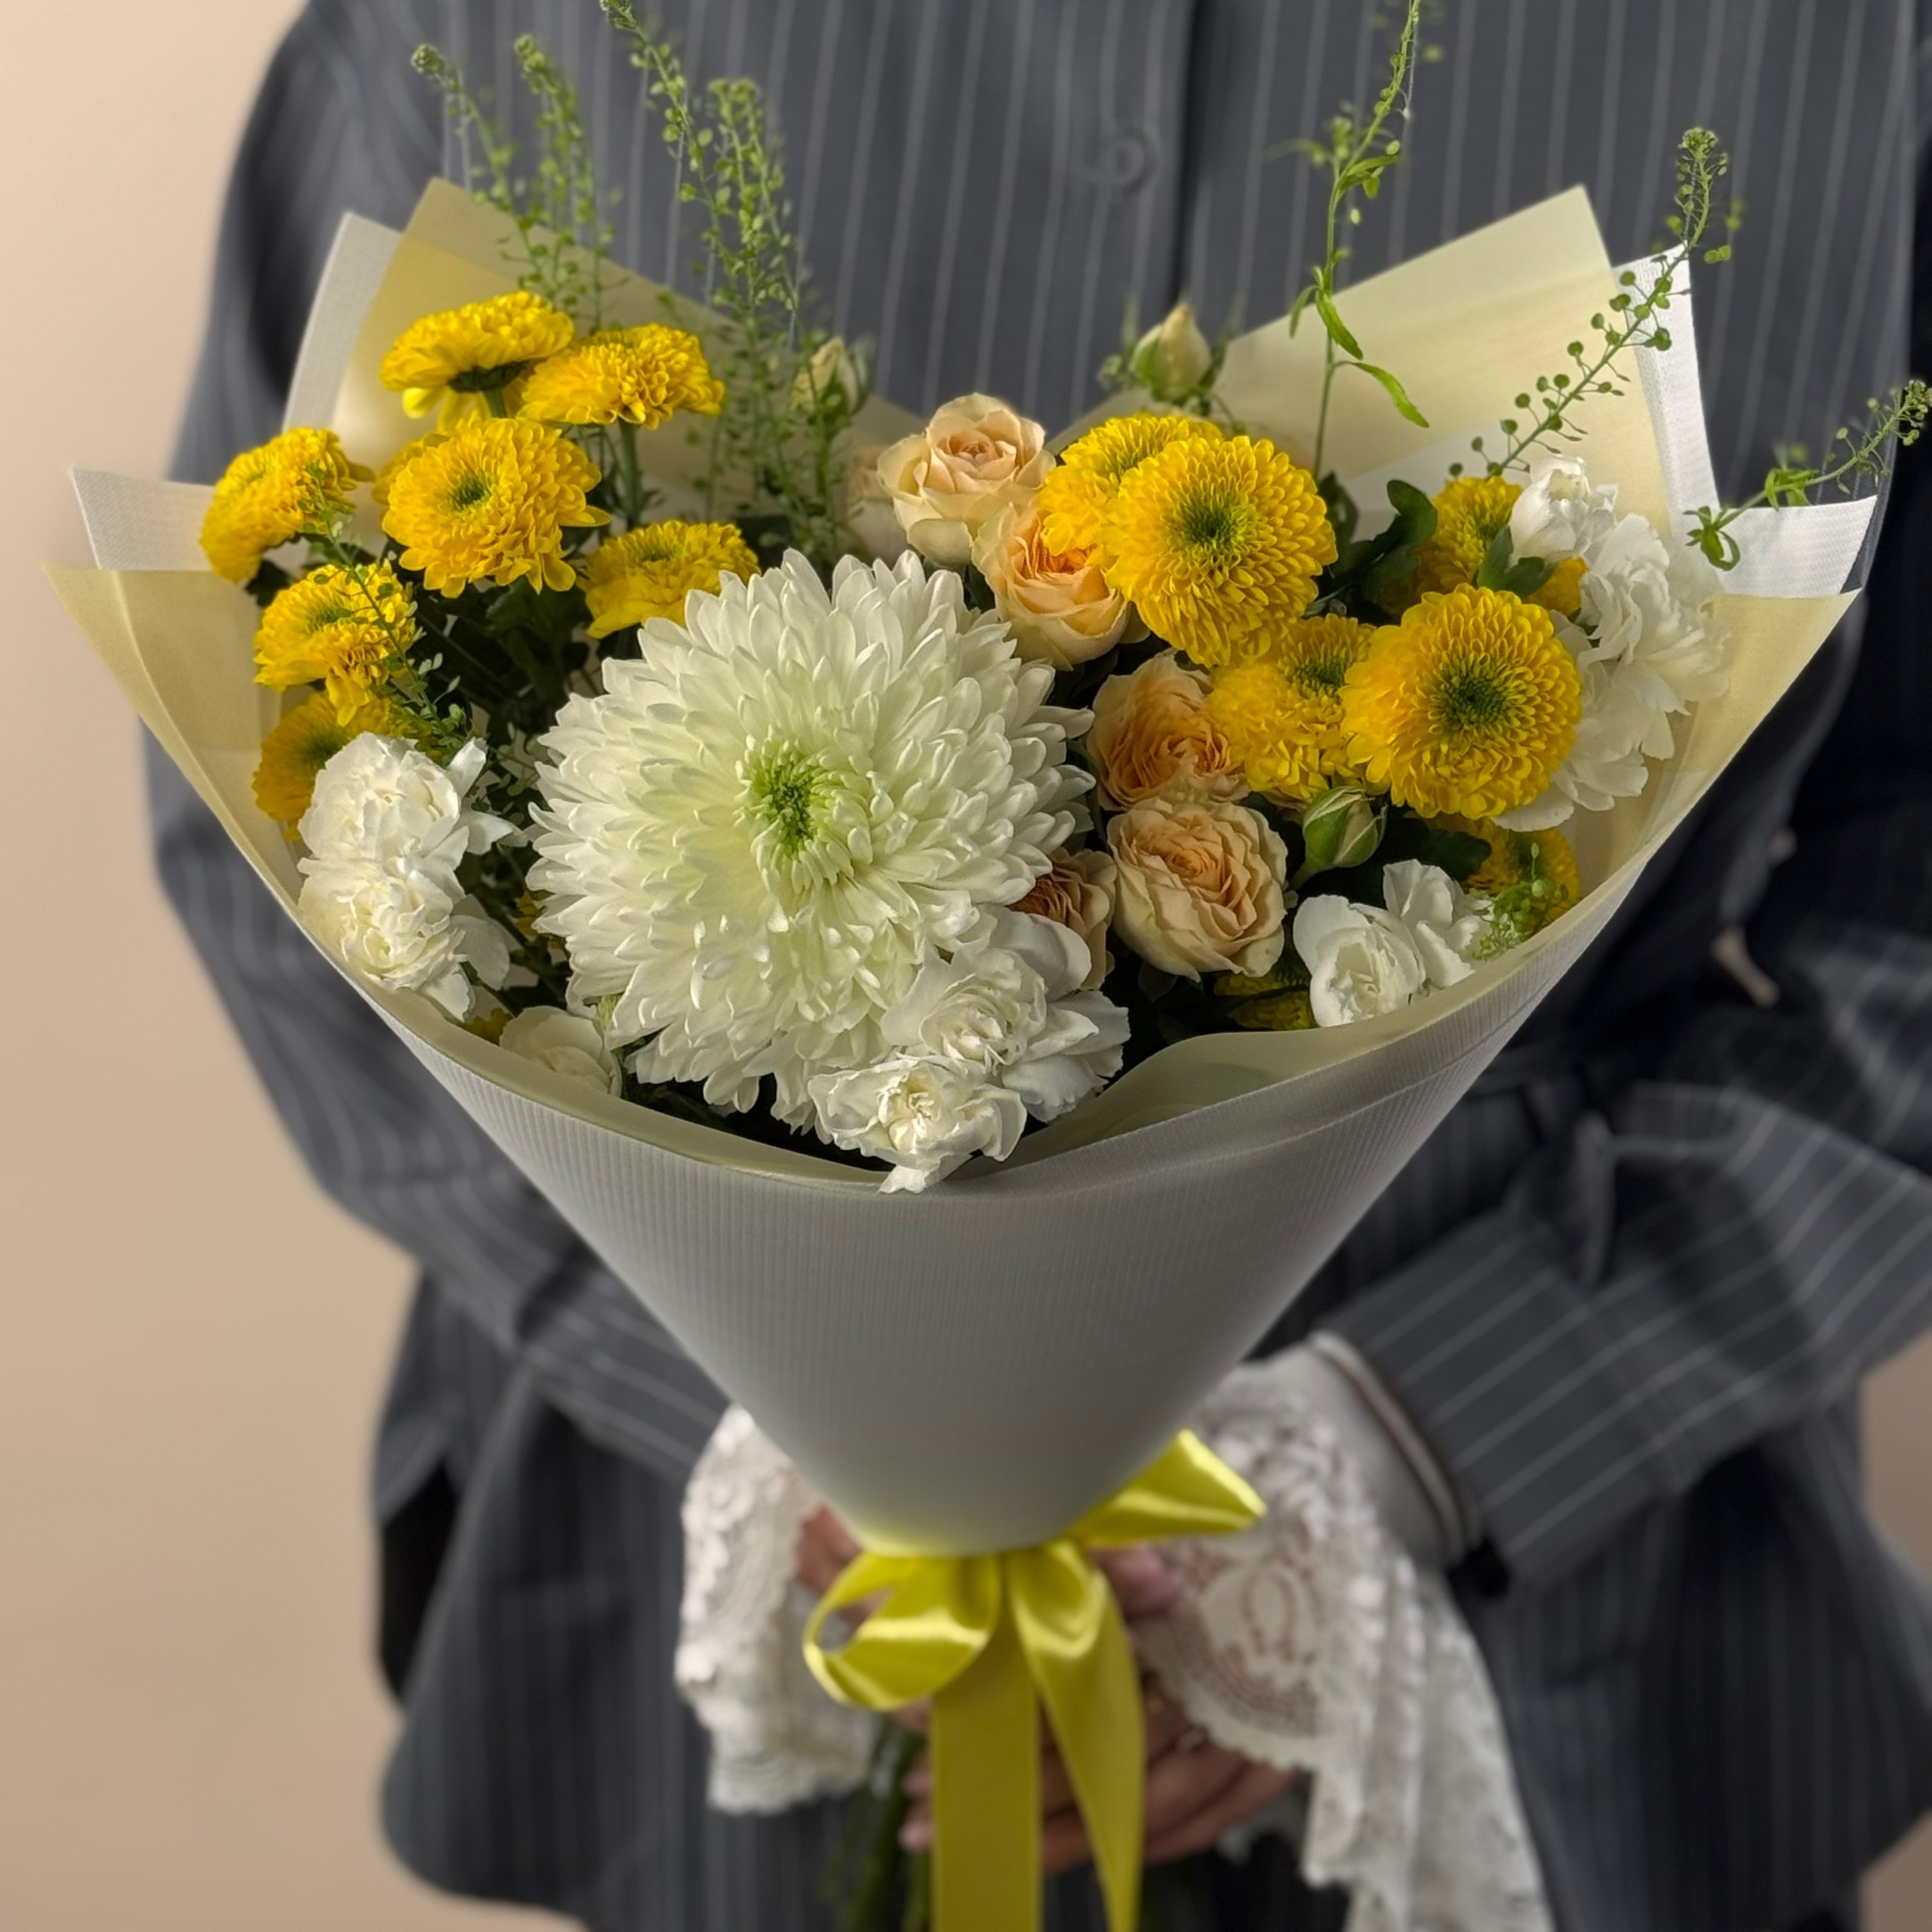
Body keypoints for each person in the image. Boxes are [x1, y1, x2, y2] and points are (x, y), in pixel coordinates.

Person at [153, 3, 1932, 1928]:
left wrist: (1429, 1430)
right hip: (721, 1594)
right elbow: (290, 808)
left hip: (1569, 1582)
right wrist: (757, 1400)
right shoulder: (467, 29)